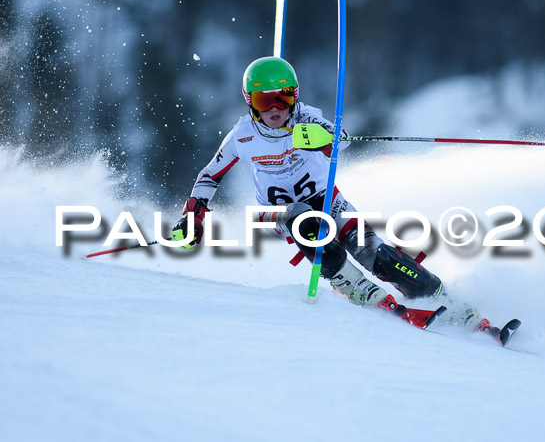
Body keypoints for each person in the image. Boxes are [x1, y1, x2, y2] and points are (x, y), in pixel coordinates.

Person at [171, 56, 497, 336]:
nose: (275, 109)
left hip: (326, 197)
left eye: (283, 98)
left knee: (373, 251)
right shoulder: (242, 135)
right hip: (278, 212)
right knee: (301, 216)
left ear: (294, 96)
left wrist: (324, 139)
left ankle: (447, 302)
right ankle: (351, 283)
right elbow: (209, 175)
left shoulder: (306, 117)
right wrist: (193, 214)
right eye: (263, 100)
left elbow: (342, 139)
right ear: (249, 101)